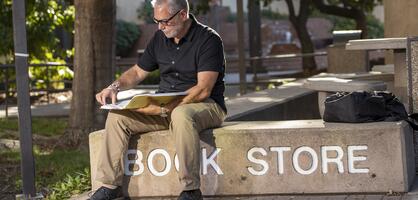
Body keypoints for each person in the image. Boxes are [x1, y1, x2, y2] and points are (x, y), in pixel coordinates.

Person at [90, 0, 226, 199]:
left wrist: (165, 110)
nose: (160, 26)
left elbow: (203, 90)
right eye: (156, 21)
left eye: (165, 21)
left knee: (181, 114)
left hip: (205, 106)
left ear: (182, 15)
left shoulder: (209, 39)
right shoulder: (159, 38)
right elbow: (137, 72)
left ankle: (190, 190)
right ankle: (110, 186)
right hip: (166, 106)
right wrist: (114, 87)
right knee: (117, 116)